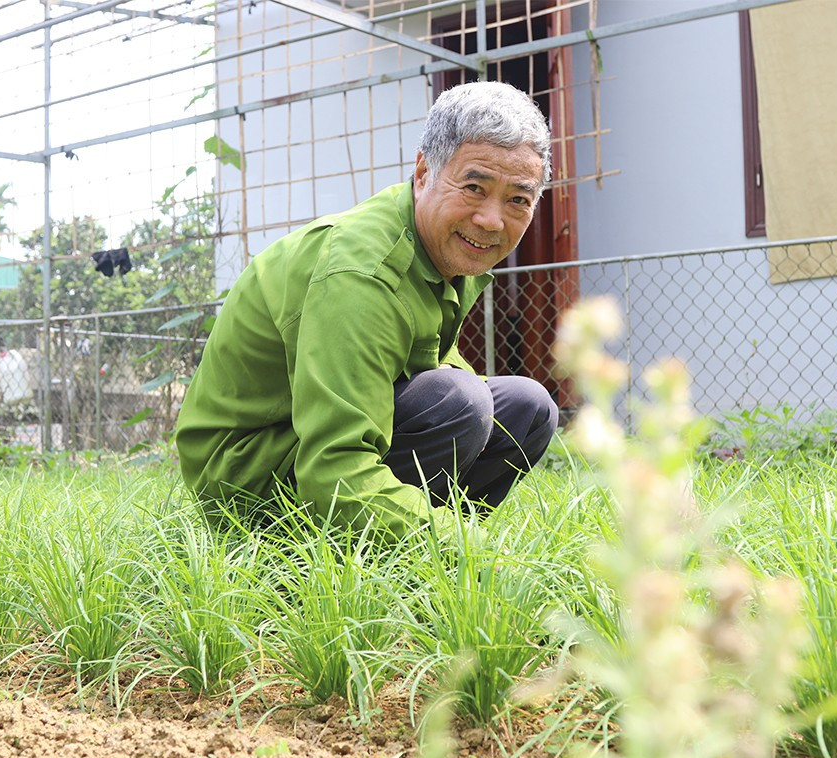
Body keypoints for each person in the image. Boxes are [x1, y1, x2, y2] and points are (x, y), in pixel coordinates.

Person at [175, 81, 559, 539]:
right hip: (245, 477)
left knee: (528, 408)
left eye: (518, 199)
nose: (492, 221)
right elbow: (333, 467)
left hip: (305, 440)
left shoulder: (449, 251)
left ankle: (411, 557)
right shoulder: (361, 273)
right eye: (474, 187)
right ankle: (341, 558)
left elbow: (427, 366)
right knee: (459, 402)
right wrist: (475, 552)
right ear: (423, 174)